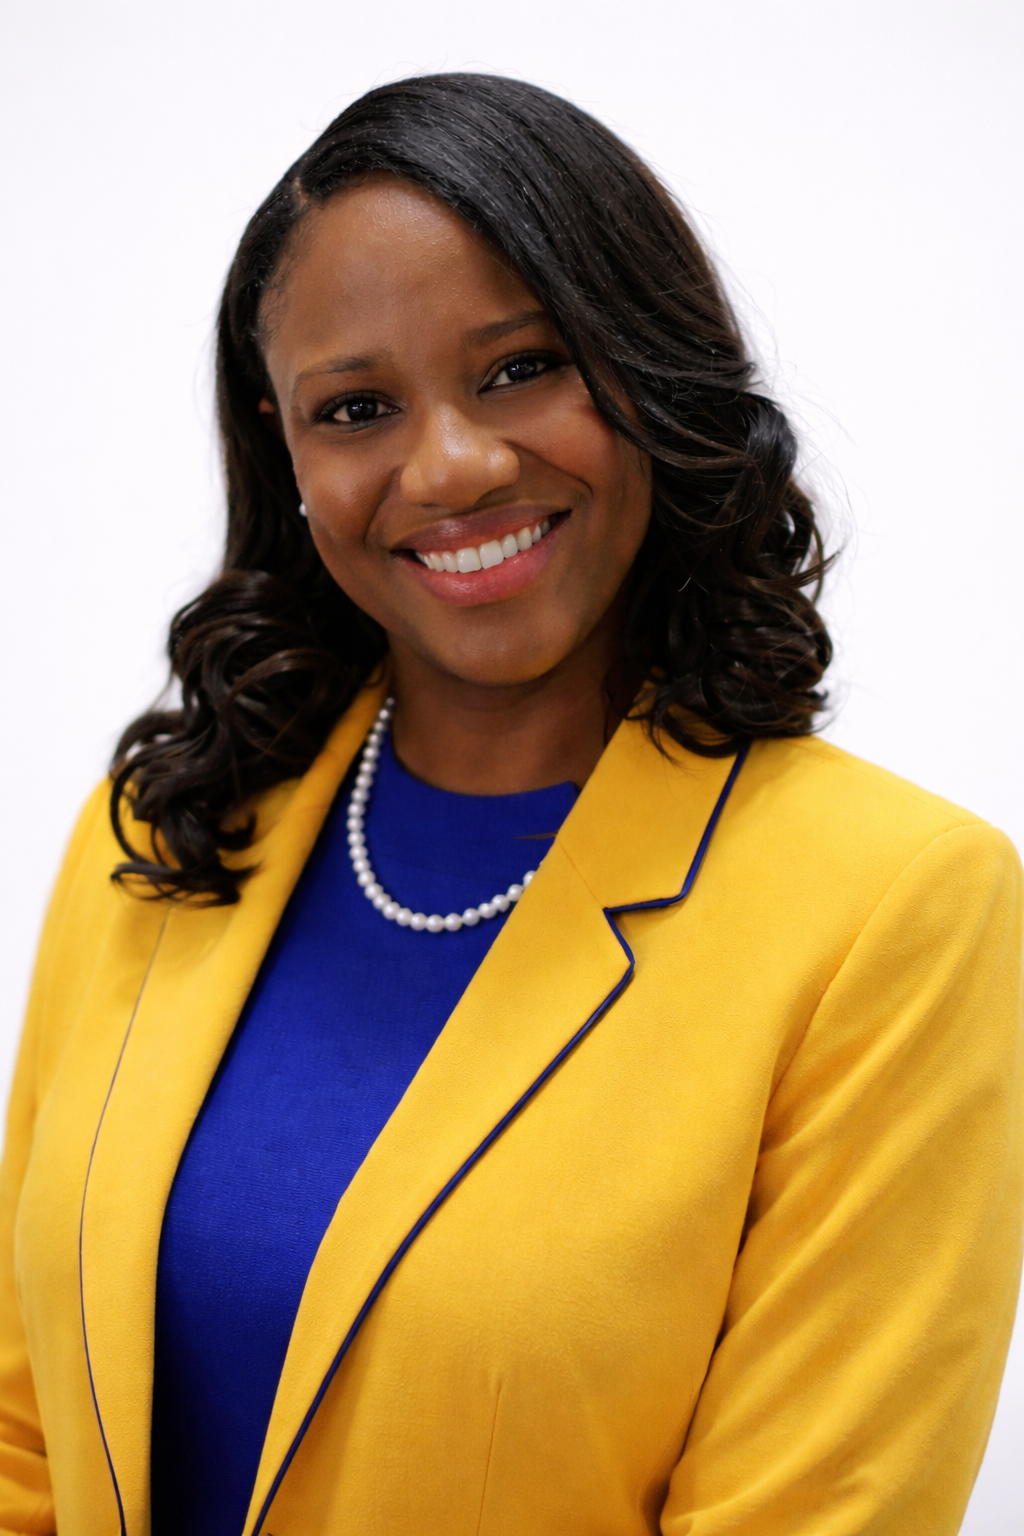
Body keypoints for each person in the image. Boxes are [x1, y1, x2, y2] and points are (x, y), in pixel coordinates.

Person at [0, 73, 1020, 1536]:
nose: (455, 466)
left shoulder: (894, 906)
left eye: (519, 368)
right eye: (356, 407)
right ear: (288, 461)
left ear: (649, 376)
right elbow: (23, 1437)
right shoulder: (158, 833)